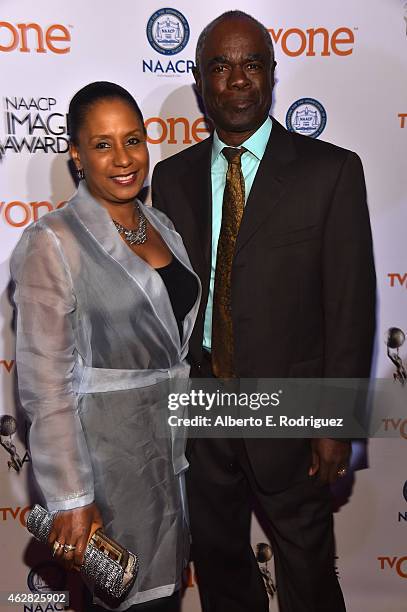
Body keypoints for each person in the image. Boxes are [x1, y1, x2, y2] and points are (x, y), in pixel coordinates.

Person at [151, 11, 376, 612]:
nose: (238, 79)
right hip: (201, 413)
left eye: (252, 63)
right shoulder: (170, 178)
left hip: (293, 416)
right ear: (201, 81)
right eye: (220, 66)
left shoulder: (331, 171)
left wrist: (335, 423)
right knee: (221, 568)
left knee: (307, 573)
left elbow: (351, 306)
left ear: (272, 75)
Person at [11, 81, 200, 611]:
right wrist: (71, 496)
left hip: (174, 456)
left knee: (165, 597)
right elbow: (46, 385)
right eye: (102, 144)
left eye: (134, 140)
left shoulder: (158, 224)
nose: (123, 159)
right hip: (109, 466)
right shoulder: (52, 241)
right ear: (76, 154)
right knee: (134, 600)